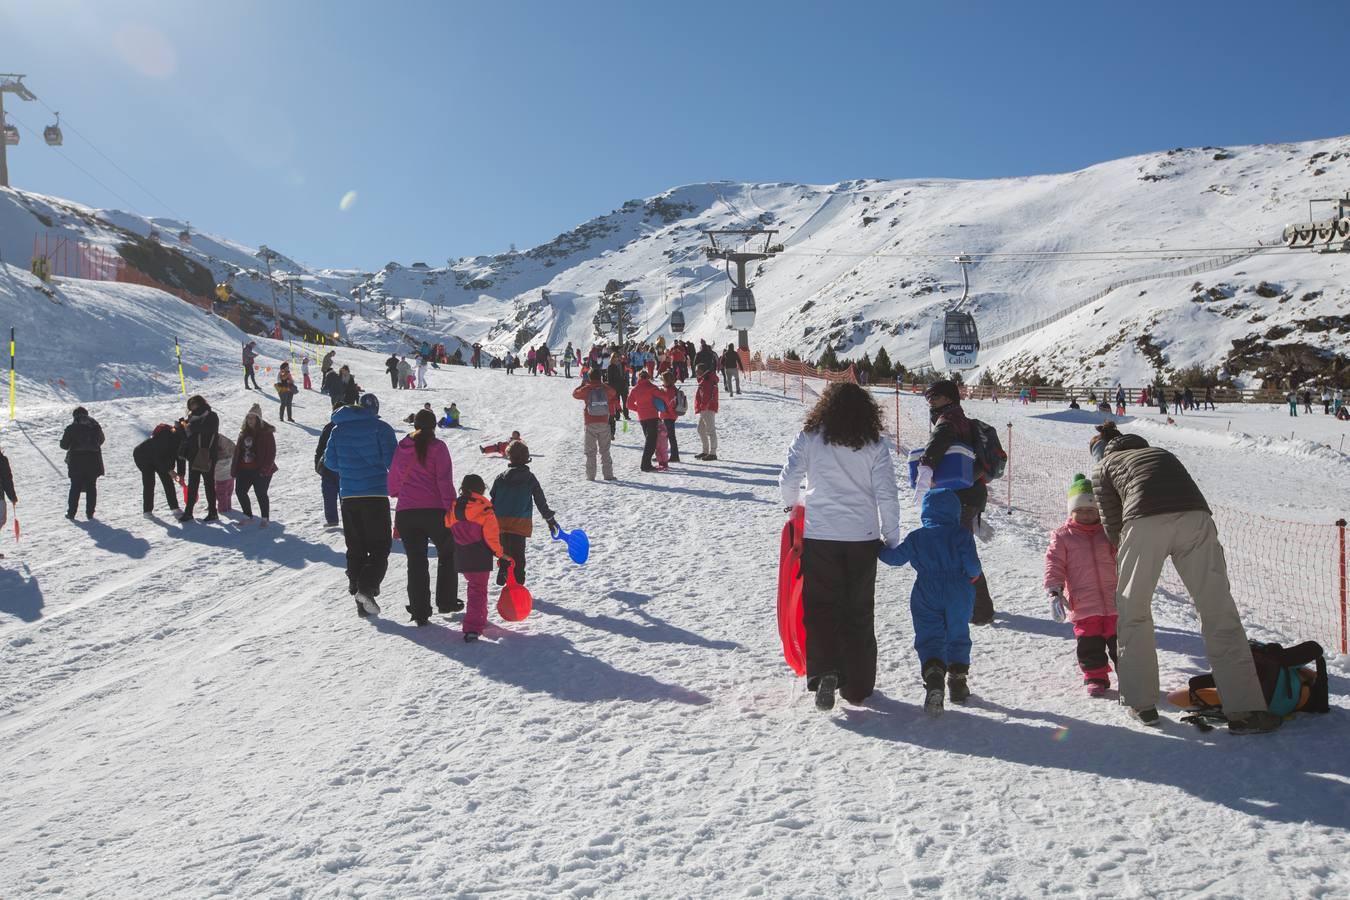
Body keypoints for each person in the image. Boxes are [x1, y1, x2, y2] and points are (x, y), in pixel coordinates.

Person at [1090, 421, 1279, 733]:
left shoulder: (1104, 466)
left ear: (1100, 451)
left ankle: (1141, 703)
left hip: (1143, 522)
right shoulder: (1160, 452)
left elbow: (1113, 526)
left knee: (1134, 611)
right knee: (1218, 611)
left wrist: (1125, 554)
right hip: (1197, 519)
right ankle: (1246, 711)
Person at [779, 382, 901, 711]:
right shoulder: (874, 444)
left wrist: (794, 507)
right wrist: (892, 537)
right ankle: (858, 686)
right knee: (858, 611)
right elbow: (887, 494)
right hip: (862, 538)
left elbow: (789, 480)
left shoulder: (811, 437)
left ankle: (825, 673)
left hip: (821, 536)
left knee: (821, 608)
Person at [878, 490, 982, 715]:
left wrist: (878, 547)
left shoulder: (918, 536)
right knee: (958, 632)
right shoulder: (961, 535)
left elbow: (895, 559)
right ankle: (958, 683)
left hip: (926, 590)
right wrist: (970, 577)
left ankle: (934, 677)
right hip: (958, 590)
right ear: (955, 511)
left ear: (926, 511)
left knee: (930, 635)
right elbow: (974, 566)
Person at [916, 381, 995, 625]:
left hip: (960, 497)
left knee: (961, 554)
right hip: (969, 494)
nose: (930, 401)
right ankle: (979, 608)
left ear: (949, 398)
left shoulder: (948, 420)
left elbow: (938, 443)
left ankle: (980, 610)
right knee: (962, 551)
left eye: (935, 396)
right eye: (927, 397)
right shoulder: (957, 418)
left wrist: (925, 468)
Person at [1043, 474, 1119, 697]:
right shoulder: (1063, 537)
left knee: (1121, 642)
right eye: (1080, 511)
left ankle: (1130, 675)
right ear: (1071, 512)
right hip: (1083, 602)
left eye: (1091, 511)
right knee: (1089, 644)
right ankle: (1095, 677)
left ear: (1099, 511)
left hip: (1115, 600)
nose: (1086, 515)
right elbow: (1054, 563)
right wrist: (1054, 589)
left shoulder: (1108, 533)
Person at [325, 393, 398, 617]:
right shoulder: (381, 428)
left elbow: (330, 462)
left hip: (348, 495)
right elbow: (392, 461)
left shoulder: (338, 429)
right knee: (379, 546)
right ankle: (365, 588)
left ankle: (358, 593)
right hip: (374, 494)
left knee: (355, 545)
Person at [388, 408, 459, 625]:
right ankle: (446, 601)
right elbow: (444, 482)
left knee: (416, 561)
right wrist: (452, 510)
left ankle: (419, 611)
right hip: (435, 511)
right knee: (448, 553)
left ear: (415, 425)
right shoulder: (438, 448)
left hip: (407, 513)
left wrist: (401, 494)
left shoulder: (403, 446)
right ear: (434, 426)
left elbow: (393, 479)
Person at [446, 473, 506, 642]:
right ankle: (473, 626)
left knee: (474, 587)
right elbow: (491, 536)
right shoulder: (485, 509)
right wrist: (500, 553)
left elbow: (447, 523)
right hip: (480, 554)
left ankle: (480, 618)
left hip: (462, 554)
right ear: (481, 489)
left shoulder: (454, 507)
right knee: (478, 590)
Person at [490, 440, 558, 586]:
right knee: (518, 555)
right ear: (526, 458)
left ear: (509, 456)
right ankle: (518, 582)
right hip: (520, 523)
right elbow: (540, 501)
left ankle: (503, 568)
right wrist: (550, 520)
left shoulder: (500, 478)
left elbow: (492, 501)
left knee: (505, 551)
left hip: (501, 522)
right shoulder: (530, 478)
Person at [231, 404, 278, 525]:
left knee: (261, 493)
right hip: (244, 469)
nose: (250, 420)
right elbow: (238, 451)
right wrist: (235, 468)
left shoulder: (266, 433)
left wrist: (265, 469)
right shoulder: (243, 433)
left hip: (260, 470)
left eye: (252, 418)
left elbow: (271, 453)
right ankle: (247, 515)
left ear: (258, 419)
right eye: (248, 418)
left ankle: (264, 518)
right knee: (240, 491)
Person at [179, 395, 220, 522]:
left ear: (200, 403)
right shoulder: (191, 418)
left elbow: (210, 430)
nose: (192, 407)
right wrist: (182, 427)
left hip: (207, 454)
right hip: (193, 454)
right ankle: (188, 512)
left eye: (194, 404)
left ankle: (213, 512)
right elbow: (188, 436)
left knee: (208, 484)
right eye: (190, 405)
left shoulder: (211, 415)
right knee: (192, 484)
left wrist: (191, 426)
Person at [60, 406, 105, 521]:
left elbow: (64, 445)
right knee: (91, 486)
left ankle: (71, 513)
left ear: (75, 416)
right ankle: (90, 513)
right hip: (93, 461)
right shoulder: (95, 426)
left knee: (75, 487)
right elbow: (101, 440)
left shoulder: (72, 428)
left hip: (76, 462)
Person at [572, 368, 618, 481]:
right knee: (605, 450)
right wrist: (603, 384)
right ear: (600, 377)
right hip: (603, 421)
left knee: (590, 451)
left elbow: (575, 394)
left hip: (590, 422)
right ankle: (608, 475)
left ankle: (591, 476)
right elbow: (614, 392)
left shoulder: (587, 388)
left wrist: (582, 384)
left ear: (589, 377)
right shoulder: (604, 388)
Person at [133, 423, 180, 517]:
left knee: (167, 481)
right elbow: (157, 457)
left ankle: (175, 508)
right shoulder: (166, 439)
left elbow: (175, 457)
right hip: (142, 456)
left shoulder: (177, 439)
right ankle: (147, 511)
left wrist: (178, 473)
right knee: (149, 482)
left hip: (157, 457)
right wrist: (169, 470)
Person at [628, 370, 662, 472]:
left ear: (639, 378)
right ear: (648, 377)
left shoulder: (635, 389)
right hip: (652, 416)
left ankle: (646, 464)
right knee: (651, 441)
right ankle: (645, 465)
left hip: (642, 417)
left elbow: (628, 405)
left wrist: (638, 409)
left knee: (649, 440)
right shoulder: (653, 388)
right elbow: (663, 398)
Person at [314, 418, 341, 528]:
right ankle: (348, 519)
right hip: (343, 466)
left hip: (328, 466)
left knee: (329, 493)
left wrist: (317, 464)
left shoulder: (329, 427)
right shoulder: (350, 426)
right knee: (345, 494)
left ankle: (332, 519)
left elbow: (320, 447)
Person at [658, 369, 684, 464]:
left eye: (662, 379)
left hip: (668, 415)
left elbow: (667, 403)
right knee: (669, 436)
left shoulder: (669, 390)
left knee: (668, 436)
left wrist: (660, 394)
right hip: (670, 415)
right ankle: (670, 455)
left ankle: (673, 455)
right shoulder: (672, 388)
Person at [694, 364, 719, 460]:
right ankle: (705, 451)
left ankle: (713, 453)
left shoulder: (707, 380)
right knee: (701, 429)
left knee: (710, 430)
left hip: (707, 408)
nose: (696, 372)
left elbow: (707, 395)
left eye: (697, 370)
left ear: (702, 370)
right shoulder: (705, 379)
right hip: (705, 408)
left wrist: (703, 407)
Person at [213, 431, 236, 513]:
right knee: (228, 491)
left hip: (221, 474)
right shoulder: (221, 437)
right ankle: (228, 506)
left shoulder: (212, 439)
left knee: (221, 493)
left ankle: (223, 509)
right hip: (230, 470)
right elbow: (233, 447)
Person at [606, 352, 629, 426]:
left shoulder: (622, 365)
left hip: (624, 386)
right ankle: (617, 415)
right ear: (612, 358)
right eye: (614, 357)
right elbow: (610, 379)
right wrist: (613, 387)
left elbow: (626, 374)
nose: (616, 358)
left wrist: (626, 383)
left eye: (617, 357)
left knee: (625, 401)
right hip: (616, 387)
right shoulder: (610, 367)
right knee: (617, 401)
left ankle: (626, 415)